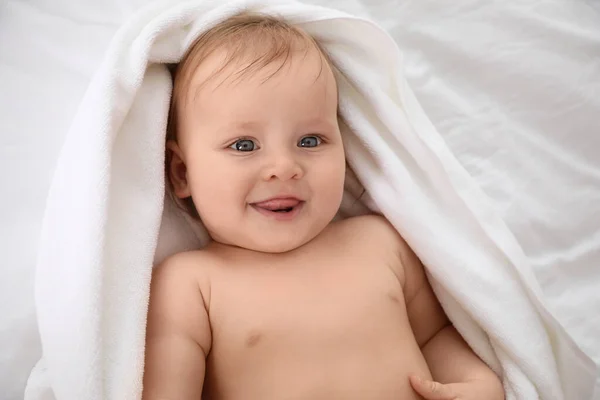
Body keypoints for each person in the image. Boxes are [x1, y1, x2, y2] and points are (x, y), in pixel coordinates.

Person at [142, 11, 504, 400]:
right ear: (181, 173)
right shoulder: (191, 284)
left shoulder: (380, 243)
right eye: (244, 145)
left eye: (310, 141)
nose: (284, 167)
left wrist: (478, 383)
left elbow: (434, 336)